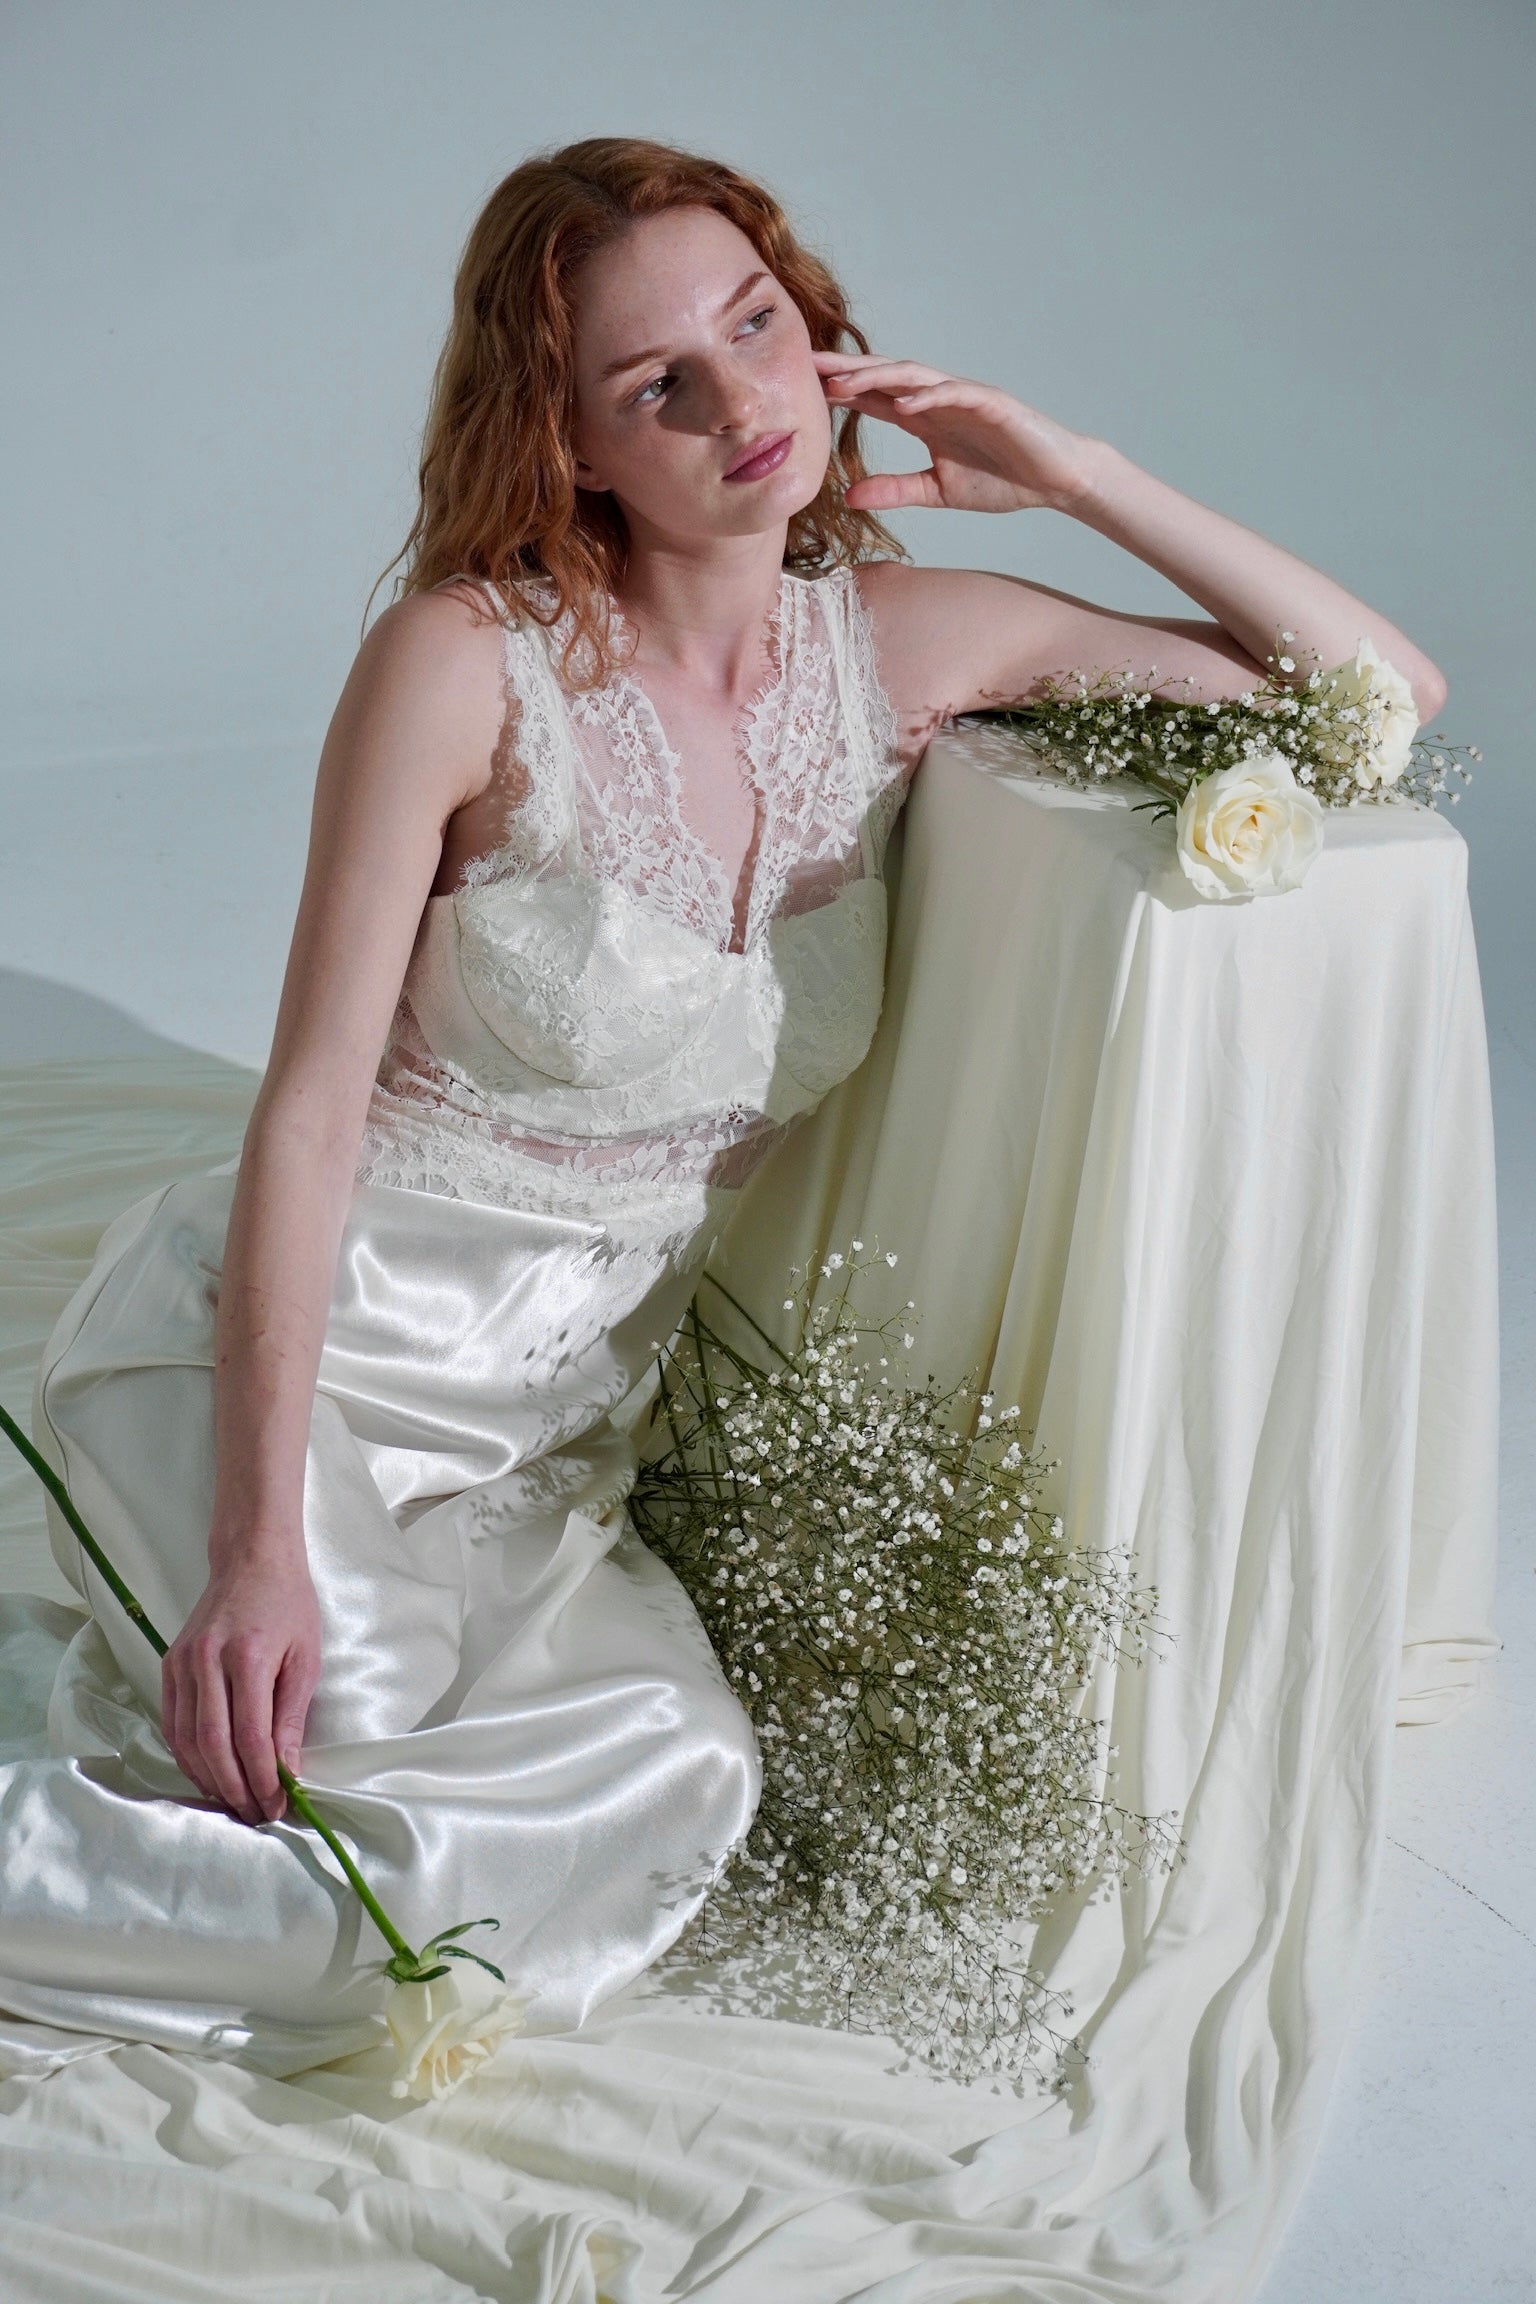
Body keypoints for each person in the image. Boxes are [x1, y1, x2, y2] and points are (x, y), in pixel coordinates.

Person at [2, 135, 1445, 2069]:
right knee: (348, 1753)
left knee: (682, 1779)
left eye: (757, 325)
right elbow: (310, 1115)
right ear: (573, 443)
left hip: (543, 1457)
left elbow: (1378, 699)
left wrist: (1076, 471)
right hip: (284, 1366)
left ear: (818, 326)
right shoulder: (464, 666)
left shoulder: (909, 651)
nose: (740, 400)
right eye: (654, 382)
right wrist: (259, 1545)